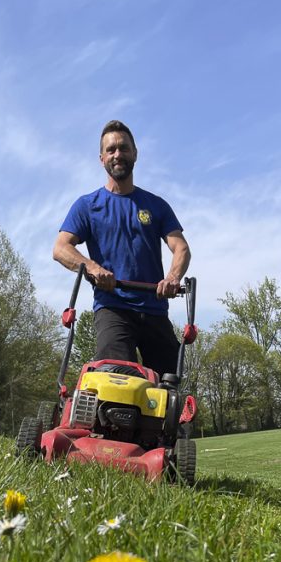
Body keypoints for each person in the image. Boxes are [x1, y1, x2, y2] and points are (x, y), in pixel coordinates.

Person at [53, 120, 191, 378]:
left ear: (135, 153)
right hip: (112, 309)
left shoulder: (156, 205)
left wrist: (172, 278)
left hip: (155, 309)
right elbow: (61, 248)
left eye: (124, 148)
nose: (118, 154)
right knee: (117, 384)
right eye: (111, 149)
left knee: (169, 388)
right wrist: (93, 268)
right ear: (102, 158)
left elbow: (181, 248)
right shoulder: (87, 206)